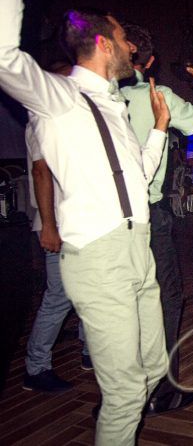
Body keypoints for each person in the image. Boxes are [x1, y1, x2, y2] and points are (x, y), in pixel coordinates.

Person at [0, 0, 170, 443]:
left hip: (138, 250)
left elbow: (136, 174)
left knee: (155, 367)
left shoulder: (112, 105)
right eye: (122, 37)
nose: (130, 46)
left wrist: (158, 129)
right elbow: (4, 58)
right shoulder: (59, 96)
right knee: (126, 393)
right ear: (101, 43)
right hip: (98, 257)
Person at [120, 22, 193, 414]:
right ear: (150, 61)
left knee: (120, 304)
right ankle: (162, 391)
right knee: (164, 299)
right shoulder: (156, 96)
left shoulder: (88, 99)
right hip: (147, 216)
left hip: (101, 220)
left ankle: (120, 393)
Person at [23, 107, 91, 393]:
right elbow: (41, 172)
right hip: (58, 224)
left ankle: (90, 352)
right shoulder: (42, 121)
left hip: (77, 222)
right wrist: (49, 225)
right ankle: (36, 368)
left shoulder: (67, 120)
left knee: (89, 290)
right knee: (59, 296)